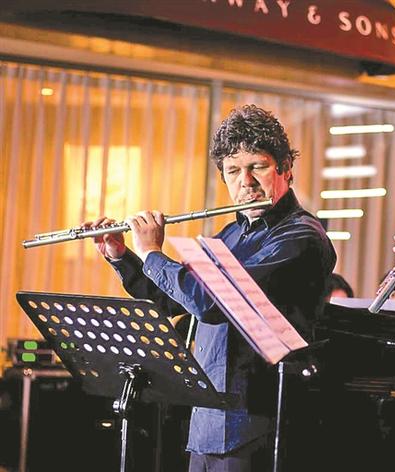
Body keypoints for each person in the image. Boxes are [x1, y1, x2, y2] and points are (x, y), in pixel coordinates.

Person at [87, 104, 336, 471]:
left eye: (258, 167)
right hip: (208, 420)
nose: (246, 182)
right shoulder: (230, 234)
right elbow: (173, 303)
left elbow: (211, 303)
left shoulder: (301, 237)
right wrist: (123, 256)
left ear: (285, 168)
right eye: (233, 171)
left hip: (258, 424)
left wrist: (153, 252)